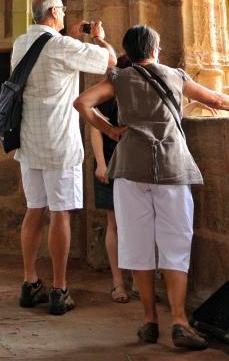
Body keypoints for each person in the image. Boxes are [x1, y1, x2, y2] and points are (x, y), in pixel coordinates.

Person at [74, 24, 229, 351]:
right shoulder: (174, 75)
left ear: (129, 51)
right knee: (175, 243)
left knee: (137, 244)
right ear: (155, 49)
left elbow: (82, 102)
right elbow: (216, 98)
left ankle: (149, 320)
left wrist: (109, 130)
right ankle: (179, 320)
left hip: (129, 169)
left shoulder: (119, 78)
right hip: (170, 167)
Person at [13, 0, 117, 316]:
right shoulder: (61, 46)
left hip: (28, 141)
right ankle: (59, 288)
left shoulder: (21, 44)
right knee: (60, 214)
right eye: (62, 10)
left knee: (34, 210)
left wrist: (68, 36)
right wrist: (98, 38)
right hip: (59, 143)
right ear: (55, 12)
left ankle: (30, 283)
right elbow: (111, 62)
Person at [89, 55, 131, 303]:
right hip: (111, 163)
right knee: (114, 224)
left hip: (135, 165)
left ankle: (138, 279)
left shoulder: (140, 92)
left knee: (136, 225)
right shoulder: (107, 93)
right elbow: (95, 128)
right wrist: (102, 164)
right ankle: (118, 283)